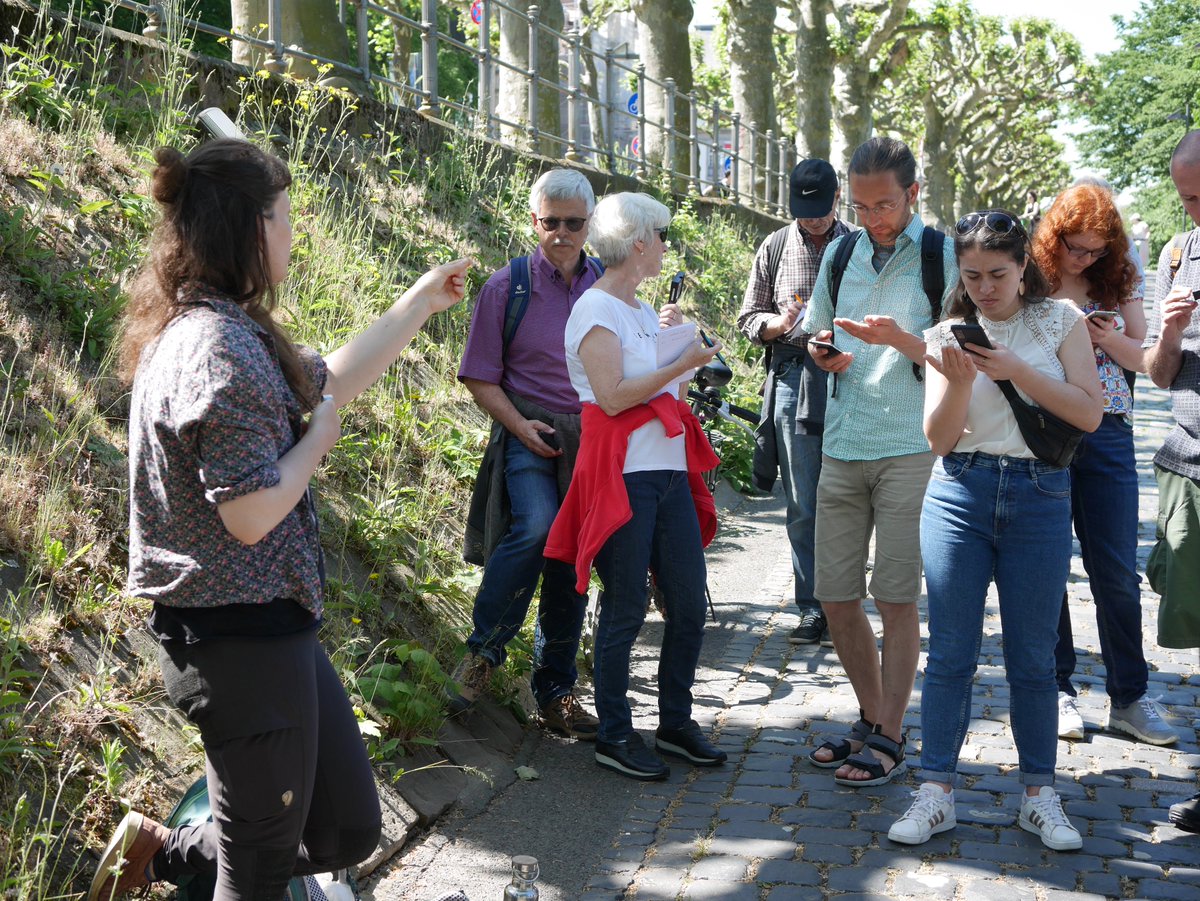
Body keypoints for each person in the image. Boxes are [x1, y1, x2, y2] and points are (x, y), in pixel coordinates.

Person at [89, 140, 469, 899]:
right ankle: (177, 858)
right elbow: (251, 513)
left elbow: (330, 375)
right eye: (286, 219)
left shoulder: (225, 329)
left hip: (267, 629)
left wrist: (421, 301)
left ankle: (157, 852)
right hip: (238, 643)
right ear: (248, 229)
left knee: (345, 826)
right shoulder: (217, 349)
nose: (294, 236)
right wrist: (317, 445)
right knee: (259, 869)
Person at [885, 209, 1103, 851]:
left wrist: (1017, 371)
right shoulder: (945, 333)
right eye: (973, 275)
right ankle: (935, 793)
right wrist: (956, 382)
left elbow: (1089, 414)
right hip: (960, 492)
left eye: (998, 274)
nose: (985, 287)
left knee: (1033, 657)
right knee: (950, 651)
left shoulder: (1060, 320)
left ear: (1022, 268)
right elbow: (939, 439)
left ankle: (1039, 795)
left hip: (1040, 493)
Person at [543, 192, 727, 781]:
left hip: (668, 470)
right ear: (640, 243)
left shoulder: (642, 311)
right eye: (663, 236)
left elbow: (649, 383)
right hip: (622, 473)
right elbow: (617, 394)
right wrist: (680, 364)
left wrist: (679, 352)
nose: (667, 246)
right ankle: (616, 734)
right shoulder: (594, 310)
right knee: (624, 606)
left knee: (688, 602)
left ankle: (674, 722)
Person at [799, 137, 956, 786]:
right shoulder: (839, 252)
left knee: (895, 599)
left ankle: (891, 732)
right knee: (834, 596)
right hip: (842, 443)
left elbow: (962, 357)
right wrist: (823, 352)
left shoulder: (942, 255)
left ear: (913, 194)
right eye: (860, 206)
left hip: (911, 449)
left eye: (884, 204)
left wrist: (901, 340)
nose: (873, 218)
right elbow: (819, 332)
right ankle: (870, 714)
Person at [451, 168, 601, 740]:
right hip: (528, 431)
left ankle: (557, 692)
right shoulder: (505, 286)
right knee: (537, 527)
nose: (561, 232)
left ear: (589, 224)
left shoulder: (608, 287)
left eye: (573, 223)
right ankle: (484, 654)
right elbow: (479, 376)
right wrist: (520, 426)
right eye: (550, 221)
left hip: (591, 442)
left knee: (572, 562)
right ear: (534, 220)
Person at [1031, 185, 1177, 746]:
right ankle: (1057, 689)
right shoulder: (1031, 272)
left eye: (1095, 251)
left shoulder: (1120, 276)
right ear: (1056, 235)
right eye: (1075, 247)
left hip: (1110, 427)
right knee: (1047, 567)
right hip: (1047, 426)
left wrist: (1108, 334)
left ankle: (1130, 697)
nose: (1083, 259)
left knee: (1115, 571)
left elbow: (1141, 349)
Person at [736, 159, 854, 646]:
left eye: (821, 210)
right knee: (804, 502)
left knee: (850, 500)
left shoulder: (861, 244)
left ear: (837, 198)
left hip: (855, 381)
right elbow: (746, 319)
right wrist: (780, 325)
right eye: (804, 211)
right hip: (792, 380)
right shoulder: (775, 245)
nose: (813, 219)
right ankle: (811, 607)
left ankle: (845, 603)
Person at [1143, 130, 1200, 833]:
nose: (1196, 210)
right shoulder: (1177, 255)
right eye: (1188, 197)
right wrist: (1166, 330)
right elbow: (1158, 376)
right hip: (1187, 463)